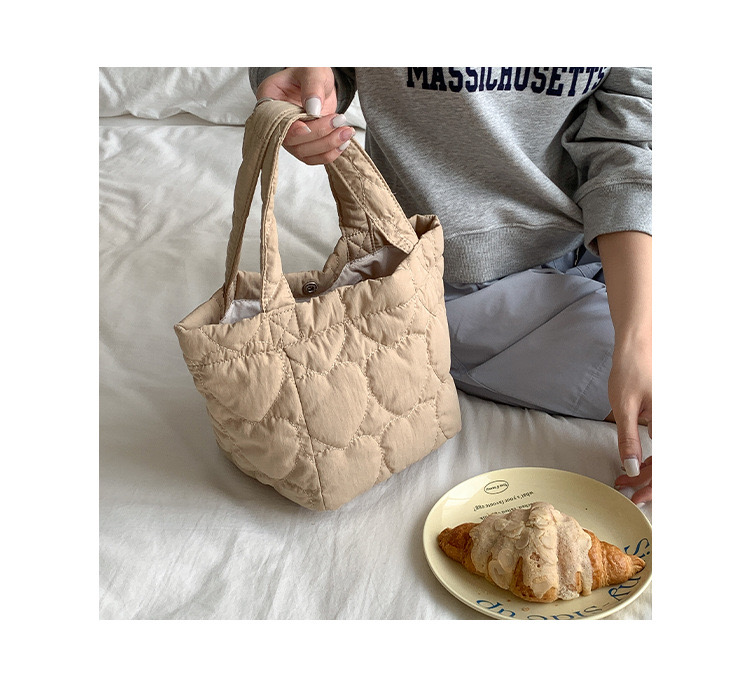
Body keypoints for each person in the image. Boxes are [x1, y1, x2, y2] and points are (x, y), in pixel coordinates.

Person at [248, 67, 652, 505]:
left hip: (613, 239)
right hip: (447, 272)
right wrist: (302, 76)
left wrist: (637, 337)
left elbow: (629, 146)